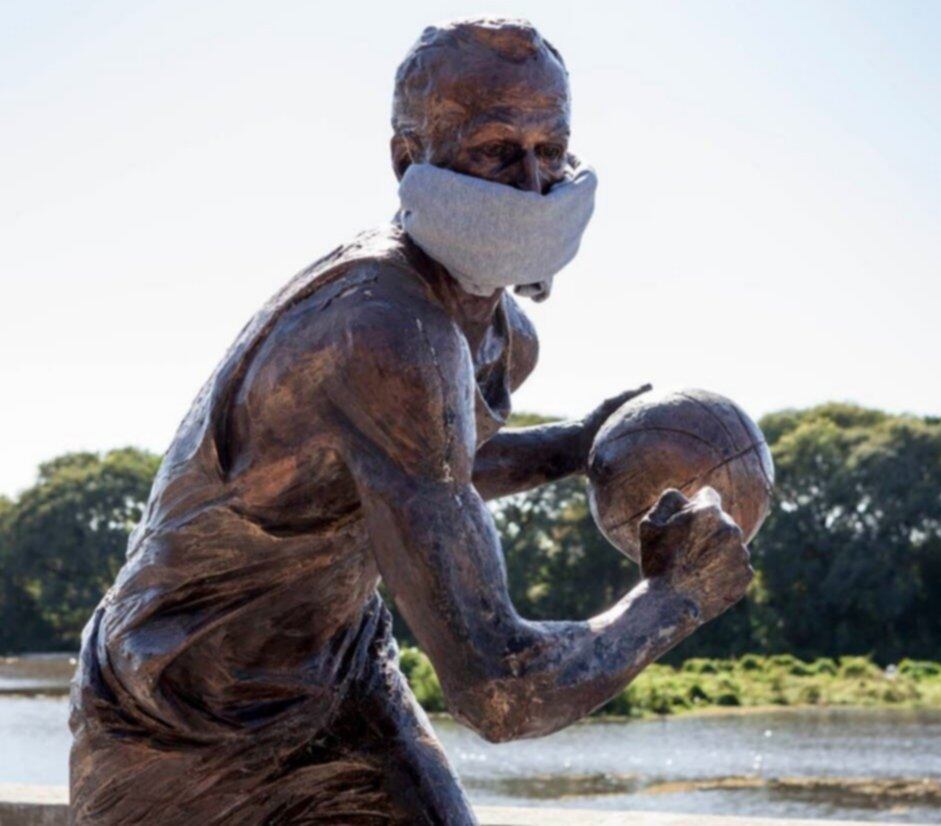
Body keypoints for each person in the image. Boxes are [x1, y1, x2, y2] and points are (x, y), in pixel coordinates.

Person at [69, 17, 752, 825]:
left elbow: (426, 476)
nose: (534, 185)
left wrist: (568, 449)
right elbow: (502, 690)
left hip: (338, 672)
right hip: (184, 707)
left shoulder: (503, 334)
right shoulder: (386, 333)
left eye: (552, 150)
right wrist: (675, 596)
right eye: (496, 150)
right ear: (407, 159)